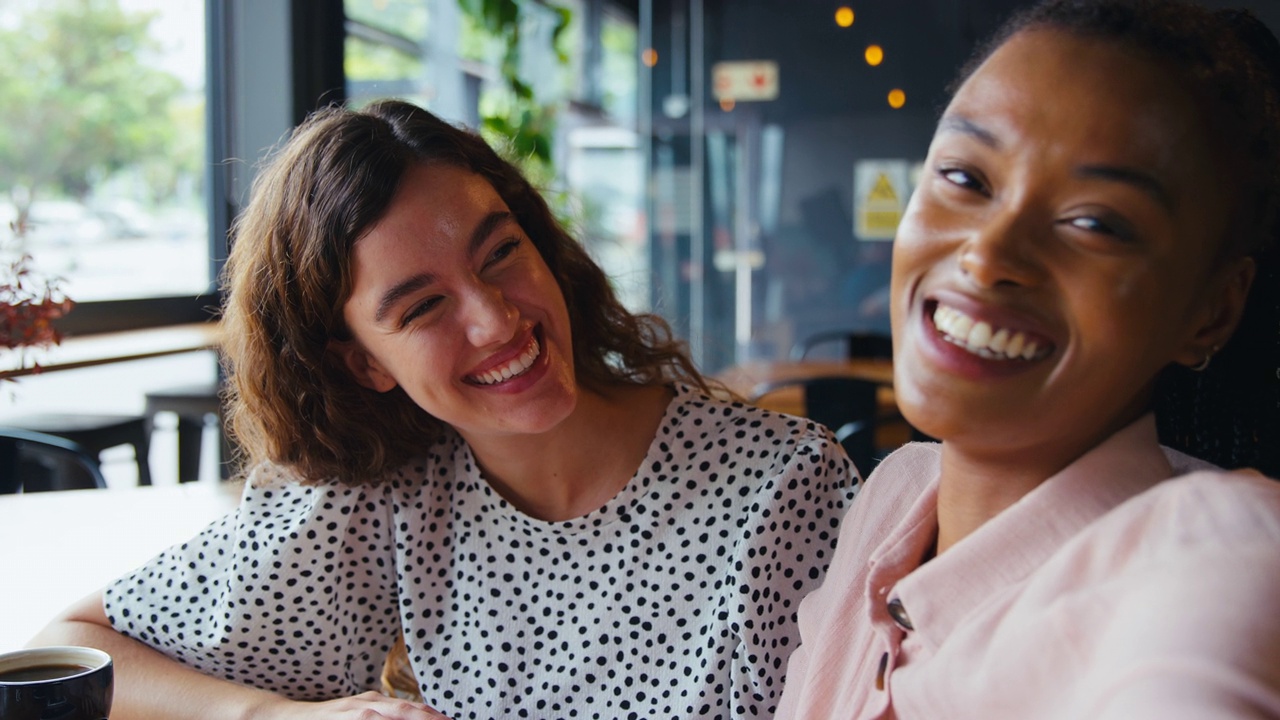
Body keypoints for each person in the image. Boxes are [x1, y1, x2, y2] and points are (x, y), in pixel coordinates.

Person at [30, 100, 858, 719]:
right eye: (422, 307)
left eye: (500, 252)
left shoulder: (781, 487)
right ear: (363, 363)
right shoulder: (387, 500)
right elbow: (68, 649)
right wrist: (274, 716)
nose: (498, 319)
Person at [775, 1, 1280, 718]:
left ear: (1213, 311)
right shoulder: (898, 491)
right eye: (965, 179)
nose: (987, 255)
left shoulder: (1213, 569)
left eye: (1095, 222)